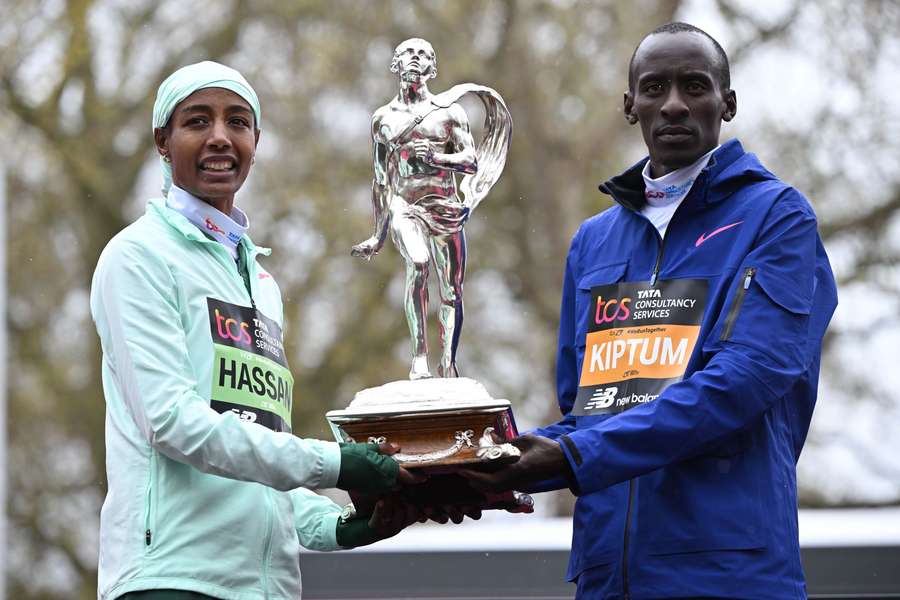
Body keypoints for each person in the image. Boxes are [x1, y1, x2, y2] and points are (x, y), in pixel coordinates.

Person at [461, 22, 838, 599]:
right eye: (655, 87)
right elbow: (587, 414)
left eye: (695, 86)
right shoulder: (594, 241)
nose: (675, 105)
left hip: (729, 574)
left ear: (727, 103)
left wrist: (572, 456)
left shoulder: (778, 218)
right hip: (608, 575)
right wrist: (479, 463)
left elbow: (741, 382)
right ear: (629, 105)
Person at [90, 61, 423, 600]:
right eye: (198, 121)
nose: (220, 137)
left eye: (237, 122)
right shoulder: (137, 257)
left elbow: (259, 450)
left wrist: (340, 526)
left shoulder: (261, 281)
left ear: (256, 140)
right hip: (172, 581)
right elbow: (174, 423)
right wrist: (335, 463)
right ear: (162, 142)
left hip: (266, 588)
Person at [351, 38, 511, 380]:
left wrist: (437, 157)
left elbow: (470, 161)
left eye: (423, 54)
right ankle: (419, 356)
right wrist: (377, 236)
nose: (414, 58)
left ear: (432, 68)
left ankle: (448, 363)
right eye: (408, 53)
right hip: (405, 206)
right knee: (419, 263)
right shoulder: (383, 120)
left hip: (445, 207)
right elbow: (382, 180)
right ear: (396, 64)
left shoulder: (450, 114)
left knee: (452, 289)